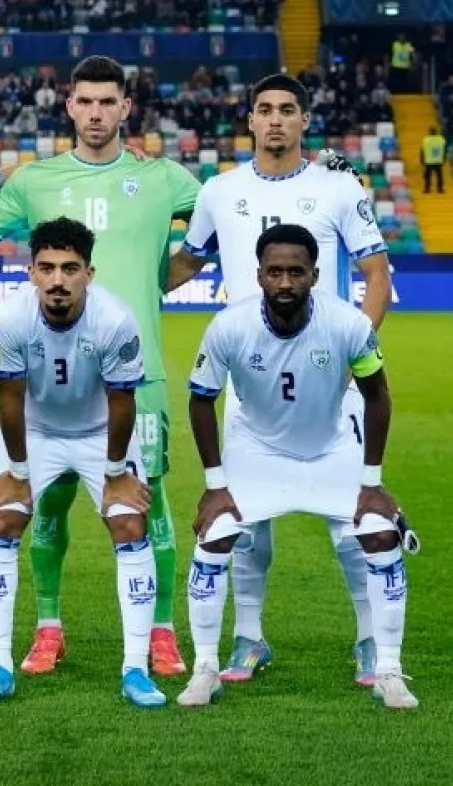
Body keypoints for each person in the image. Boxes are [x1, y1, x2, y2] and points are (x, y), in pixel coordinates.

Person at [0, 55, 199, 676]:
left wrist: (166, 276)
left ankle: (162, 632)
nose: (95, 112)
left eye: (107, 101)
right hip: (51, 380)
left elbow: (223, 220)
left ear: (125, 107)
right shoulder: (35, 181)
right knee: (48, 501)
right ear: (68, 107)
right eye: (84, 101)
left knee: (148, 502)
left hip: (136, 376)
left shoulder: (165, 178)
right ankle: (48, 627)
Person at [167, 73, 393, 686]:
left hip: (329, 377)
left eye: (287, 110)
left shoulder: (338, 186)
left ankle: (370, 641)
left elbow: (377, 275)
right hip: (251, 377)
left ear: (304, 120)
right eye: (264, 109)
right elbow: (187, 262)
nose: (275, 119)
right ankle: (249, 638)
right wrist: (127, 280)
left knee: (352, 523)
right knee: (244, 523)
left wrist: (355, 354)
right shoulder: (219, 191)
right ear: (249, 119)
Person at [177, 223, 416, 709]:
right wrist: (215, 485)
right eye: (275, 272)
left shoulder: (348, 324)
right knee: (217, 535)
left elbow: (378, 396)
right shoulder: (229, 326)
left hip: (331, 446)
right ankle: (206, 667)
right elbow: (200, 401)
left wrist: (372, 482)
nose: (285, 282)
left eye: (296, 272)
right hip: (257, 449)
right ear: (259, 275)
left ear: (314, 275)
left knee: (377, 534)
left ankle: (387, 666)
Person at [0, 217, 163, 708]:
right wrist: (18, 473)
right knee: (3, 518)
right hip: (35, 432)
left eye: (70, 268)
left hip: (101, 432)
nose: (58, 280)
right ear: (31, 271)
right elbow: (9, 399)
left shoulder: (115, 320)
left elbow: (122, 402)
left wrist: (116, 474)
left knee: (130, 523)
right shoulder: (9, 316)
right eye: (48, 268)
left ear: (88, 274)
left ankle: (136, 670)